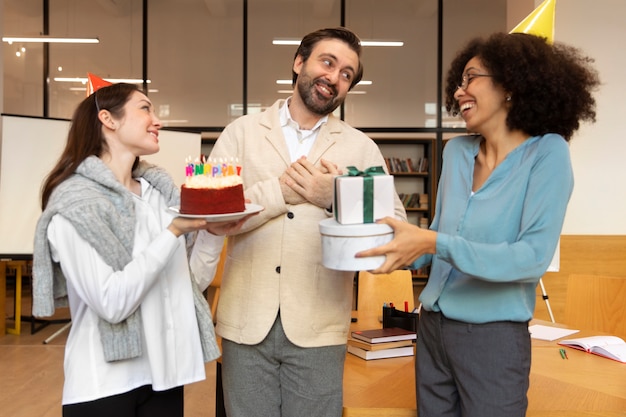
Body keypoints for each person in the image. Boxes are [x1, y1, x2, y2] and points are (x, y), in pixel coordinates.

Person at [356, 32, 600, 417]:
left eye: (471, 78)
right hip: (431, 329)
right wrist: (377, 240)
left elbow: (530, 258)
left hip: (493, 338)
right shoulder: (456, 153)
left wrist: (434, 243)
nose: (458, 92)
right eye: (460, 80)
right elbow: (432, 244)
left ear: (510, 85)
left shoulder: (547, 153)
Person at [208, 27, 406, 417]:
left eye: (347, 74)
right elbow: (213, 216)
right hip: (245, 324)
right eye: (327, 62)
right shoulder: (240, 133)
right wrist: (280, 192)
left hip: (320, 327)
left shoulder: (361, 147)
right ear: (299, 63)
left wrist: (332, 197)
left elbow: (394, 226)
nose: (334, 77)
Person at [31, 83, 252, 417]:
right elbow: (111, 302)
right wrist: (173, 232)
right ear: (108, 119)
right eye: (145, 108)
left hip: (163, 377)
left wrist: (213, 232)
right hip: (104, 384)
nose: (157, 121)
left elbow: (186, 283)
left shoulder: (158, 196)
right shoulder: (76, 205)